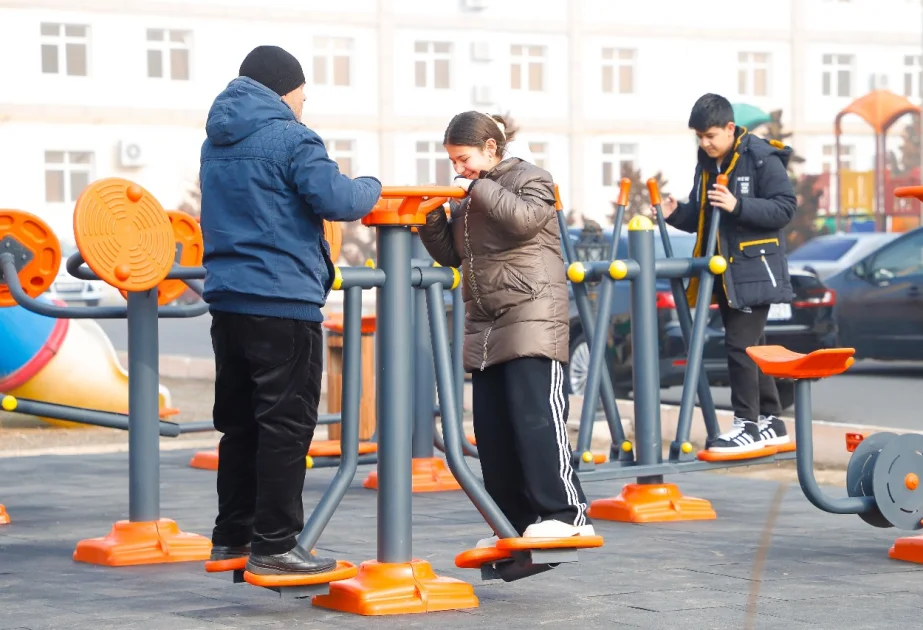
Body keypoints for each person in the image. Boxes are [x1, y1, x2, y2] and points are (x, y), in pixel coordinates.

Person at [199, 45, 382, 575]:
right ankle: (276, 545)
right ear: (287, 89)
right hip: (283, 302)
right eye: (304, 93)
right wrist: (371, 185)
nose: (305, 102)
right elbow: (340, 200)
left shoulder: (216, 141)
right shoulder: (291, 137)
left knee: (241, 424)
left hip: (229, 301)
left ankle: (232, 537)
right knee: (286, 425)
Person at [418, 111, 594, 544]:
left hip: (530, 315)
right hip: (486, 325)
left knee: (536, 420)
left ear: (491, 148)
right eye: (454, 162)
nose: (459, 169)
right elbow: (451, 255)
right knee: (492, 431)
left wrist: (476, 188)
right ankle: (513, 524)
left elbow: (525, 220)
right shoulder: (470, 195)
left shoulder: (531, 178)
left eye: (464, 159)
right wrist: (432, 217)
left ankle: (566, 513)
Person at [656, 93, 796, 454]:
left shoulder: (761, 157)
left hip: (755, 269)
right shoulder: (708, 163)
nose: (705, 143)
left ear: (730, 128)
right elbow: (705, 216)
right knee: (752, 347)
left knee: (740, 346)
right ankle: (771, 420)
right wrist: (676, 213)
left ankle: (746, 425)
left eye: (711, 136)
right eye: (700, 137)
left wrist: (739, 205)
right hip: (725, 272)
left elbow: (784, 208)